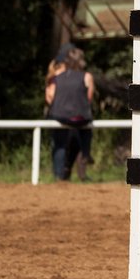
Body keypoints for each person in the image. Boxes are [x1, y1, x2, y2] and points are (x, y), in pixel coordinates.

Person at [45, 46, 94, 181]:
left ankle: (59, 176)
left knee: (60, 145)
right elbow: (89, 98)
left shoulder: (56, 78)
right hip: (81, 117)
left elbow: (50, 97)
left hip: (60, 116)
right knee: (85, 132)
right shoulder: (86, 76)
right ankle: (86, 153)